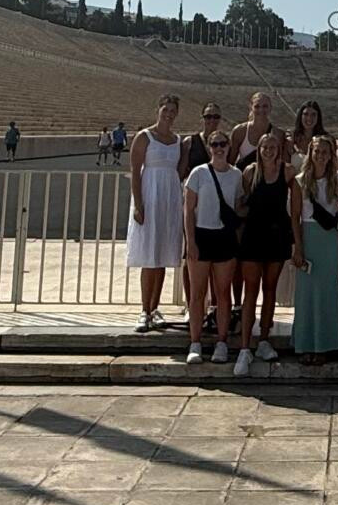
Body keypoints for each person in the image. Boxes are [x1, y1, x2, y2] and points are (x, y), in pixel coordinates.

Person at [233, 127, 297, 373]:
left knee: (270, 289)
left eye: (273, 147)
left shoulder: (287, 171)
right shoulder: (250, 172)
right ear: (259, 150)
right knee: (251, 290)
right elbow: (241, 203)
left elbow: (296, 203)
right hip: (254, 235)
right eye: (265, 147)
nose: (269, 151)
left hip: (277, 236)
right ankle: (245, 347)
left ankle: (264, 339)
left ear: (279, 150)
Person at [183, 129, 245, 365]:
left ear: (229, 147)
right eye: (215, 144)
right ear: (209, 148)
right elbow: (188, 210)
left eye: (223, 144)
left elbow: (238, 207)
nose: (219, 148)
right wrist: (190, 241)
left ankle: (221, 342)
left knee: (222, 293)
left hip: (225, 237)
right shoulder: (198, 173)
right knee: (197, 293)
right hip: (202, 235)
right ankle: (195, 342)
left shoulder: (236, 175)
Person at [124, 96, 185, 331]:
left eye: (172, 111)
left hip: (169, 199)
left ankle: (155, 307)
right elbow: (135, 171)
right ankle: (144, 309)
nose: (168, 114)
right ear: (158, 110)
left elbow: (179, 171)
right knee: (149, 256)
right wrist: (138, 205)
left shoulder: (178, 141)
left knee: (162, 255)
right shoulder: (145, 137)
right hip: (150, 195)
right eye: (165, 109)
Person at [291, 135, 338, 361]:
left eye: (325, 152)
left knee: (328, 292)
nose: (321, 156)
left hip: (330, 240)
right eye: (317, 151)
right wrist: (298, 247)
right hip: (309, 237)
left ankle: (327, 344)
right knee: (307, 293)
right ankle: (306, 344)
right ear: (311, 153)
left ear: (331, 155)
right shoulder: (299, 181)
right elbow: (295, 217)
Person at [231, 91, 277, 168]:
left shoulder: (277, 134)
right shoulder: (240, 131)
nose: (261, 110)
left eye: (265, 106)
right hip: (244, 174)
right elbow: (231, 161)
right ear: (251, 107)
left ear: (270, 108)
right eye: (257, 106)